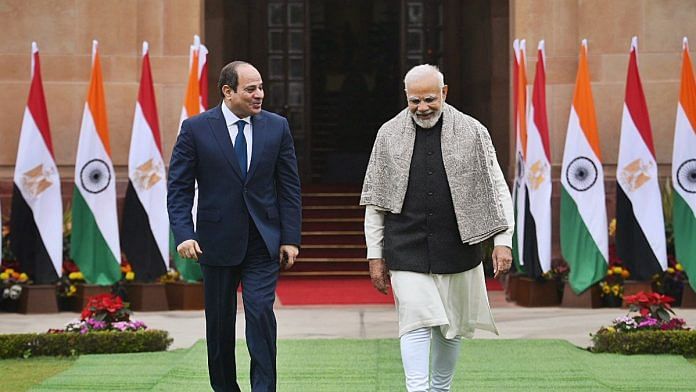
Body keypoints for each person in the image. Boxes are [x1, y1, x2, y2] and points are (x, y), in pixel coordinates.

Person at [361, 64, 514, 392]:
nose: (422, 108)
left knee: (452, 327)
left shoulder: (474, 131)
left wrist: (503, 240)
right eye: (414, 101)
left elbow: (497, 188)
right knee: (415, 321)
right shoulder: (388, 134)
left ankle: (440, 388)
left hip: (459, 246)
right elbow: (375, 201)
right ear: (405, 97)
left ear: (445, 93)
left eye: (429, 99)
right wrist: (375, 255)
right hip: (405, 247)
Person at [168, 61, 301, 392]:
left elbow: (289, 187)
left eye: (260, 87)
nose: (260, 95)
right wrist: (184, 233)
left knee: (259, 313)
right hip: (215, 242)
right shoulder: (195, 129)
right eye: (250, 89)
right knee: (220, 324)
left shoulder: (277, 127)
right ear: (227, 92)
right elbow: (179, 189)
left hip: (262, 242)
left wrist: (290, 238)